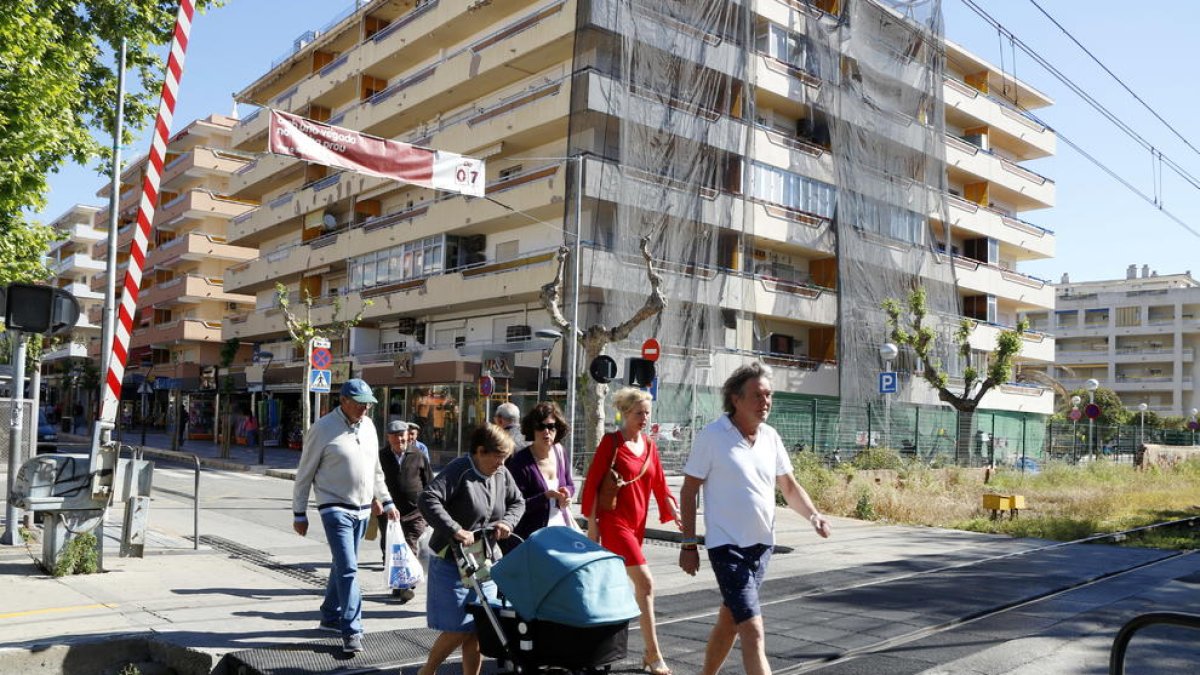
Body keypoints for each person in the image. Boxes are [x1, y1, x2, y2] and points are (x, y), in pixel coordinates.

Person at [678, 362, 832, 675]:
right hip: (727, 547)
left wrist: (813, 515)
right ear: (736, 398)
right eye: (758, 395)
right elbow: (688, 490)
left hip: (762, 546)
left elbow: (788, 486)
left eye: (769, 395)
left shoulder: (771, 437)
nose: (766, 402)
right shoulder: (712, 436)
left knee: (730, 622)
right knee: (753, 630)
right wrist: (689, 543)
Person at [292, 378, 399, 655]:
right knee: (350, 569)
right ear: (344, 401)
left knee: (342, 564)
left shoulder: (370, 426)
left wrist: (386, 501)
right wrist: (299, 512)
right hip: (334, 507)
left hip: (363, 509)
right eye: (360, 403)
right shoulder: (323, 428)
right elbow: (304, 473)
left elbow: (375, 470)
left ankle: (329, 614)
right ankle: (352, 630)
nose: (365, 408)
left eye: (368, 404)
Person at [580, 387, 680, 675]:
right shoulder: (611, 443)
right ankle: (653, 653)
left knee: (611, 588)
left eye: (647, 413)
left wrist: (672, 511)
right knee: (646, 584)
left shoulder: (649, 445)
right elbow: (593, 484)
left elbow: (660, 484)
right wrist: (593, 527)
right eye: (639, 413)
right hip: (614, 523)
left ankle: (592, 646)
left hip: (637, 524)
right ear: (625, 413)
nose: (645, 418)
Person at [418, 424, 524, 675]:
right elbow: (428, 498)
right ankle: (428, 671)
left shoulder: (501, 473)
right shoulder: (459, 469)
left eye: (505, 459)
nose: (502, 464)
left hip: (482, 557)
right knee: (459, 626)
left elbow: (517, 501)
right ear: (480, 451)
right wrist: (455, 528)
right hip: (451, 558)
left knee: (479, 623)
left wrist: (506, 523)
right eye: (499, 458)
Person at [503, 402, 577, 550]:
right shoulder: (520, 461)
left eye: (551, 426)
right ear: (532, 429)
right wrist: (545, 496)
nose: (546, 432)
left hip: (561, 528)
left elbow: (570, 484)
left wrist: (567, 493)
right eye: (540, 427)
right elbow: (514, 505)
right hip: (533, 538)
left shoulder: (560, 452)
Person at [375, 420, 433, 603]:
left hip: (414, 511)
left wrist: (431, 508)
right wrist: (374, 500)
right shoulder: (381, 456)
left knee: (409, 545)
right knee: (389, 547)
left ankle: (407, 585)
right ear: (388, 438)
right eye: (395, 436)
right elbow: (372, 480)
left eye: (402, 435)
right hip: (389, 512)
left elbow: (429, 482)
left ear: (408, 435)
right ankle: (398, 583)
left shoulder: (418, 454)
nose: (399, 439)